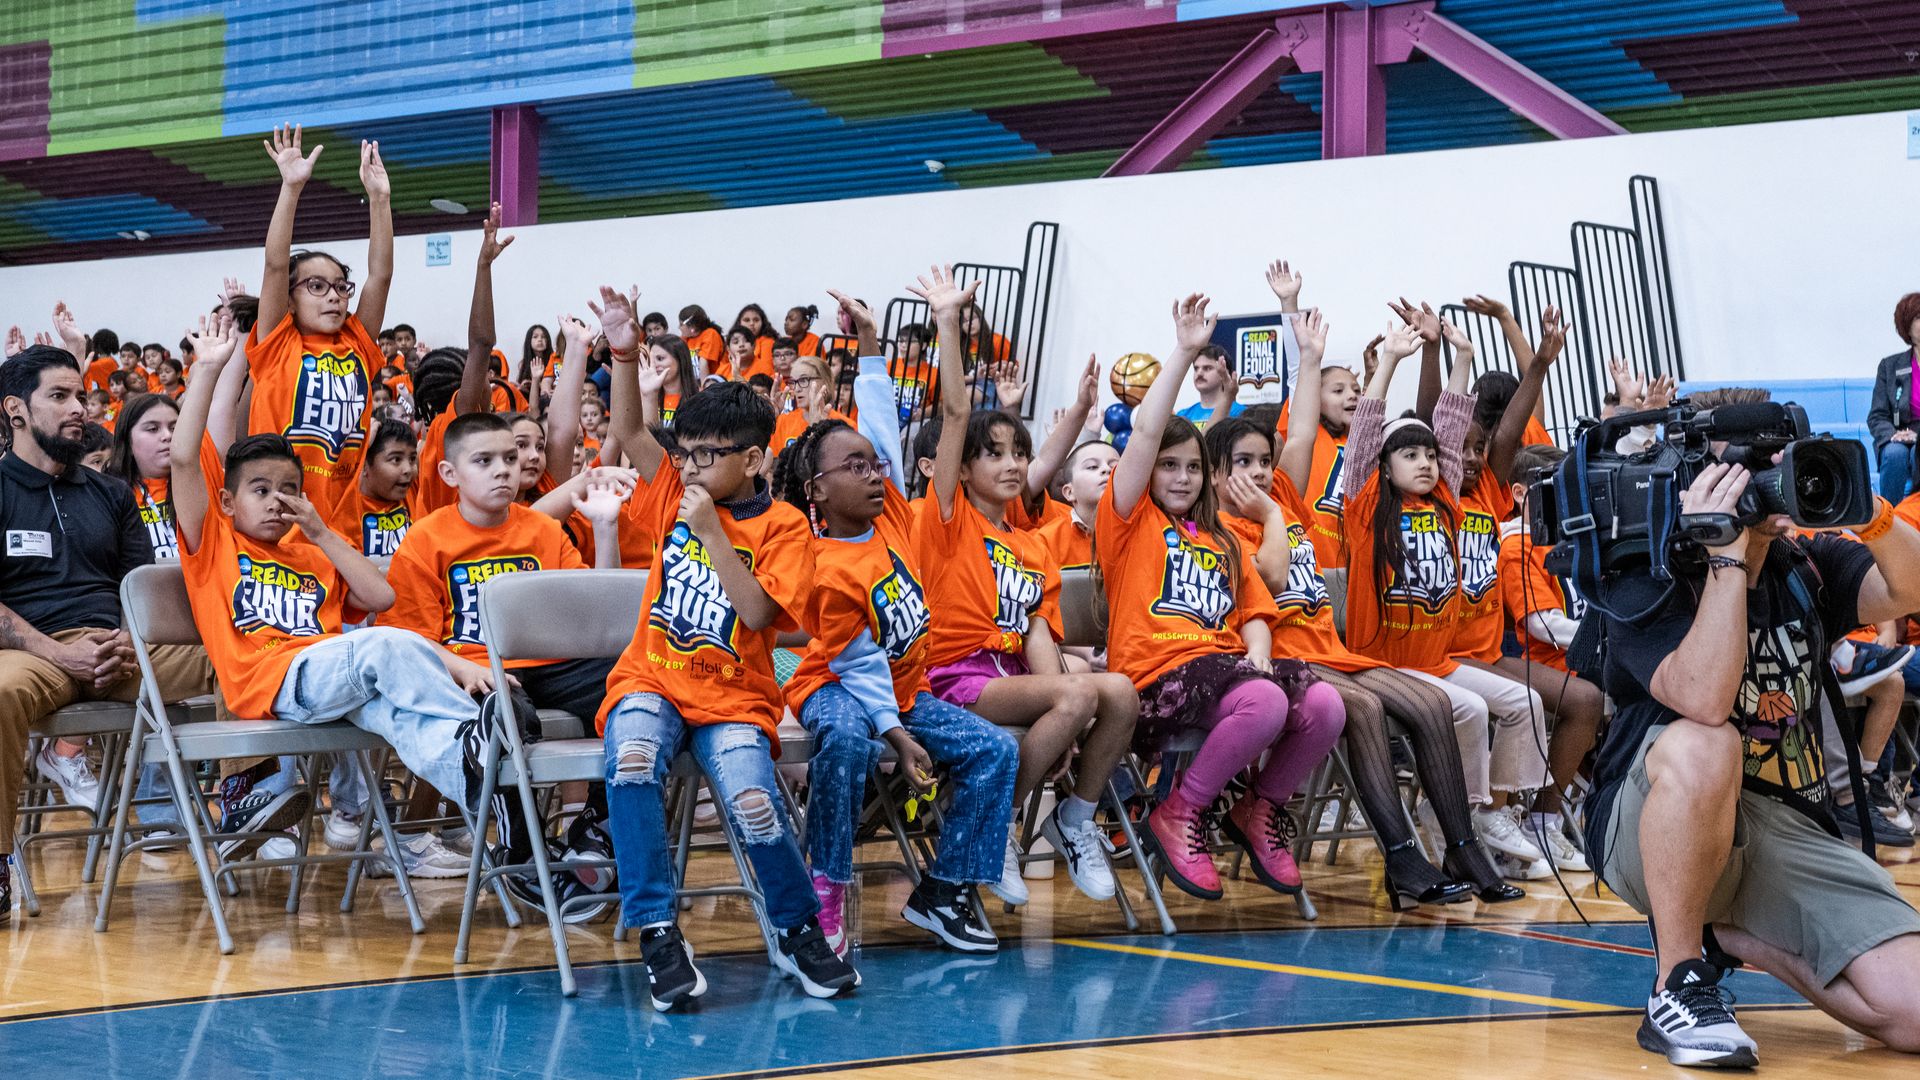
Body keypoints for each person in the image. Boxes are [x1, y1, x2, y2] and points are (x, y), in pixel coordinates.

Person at [1585, 445, 1920, 1065]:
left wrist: (1859, 505)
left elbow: (1911, 587)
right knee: (1708, 740)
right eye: (1738, 470)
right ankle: (1677, 984)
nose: (1762, 485)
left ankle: (1734, 937)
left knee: (1914, 1014)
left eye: (1773, 467)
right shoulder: (1641, 575)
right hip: (1655, 823)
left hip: (1784, 828)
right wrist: (1727, 557)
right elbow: (1706, 701)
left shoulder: (1806, 566)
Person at [590, 285, 859, 1011]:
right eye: (687, 453)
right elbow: (628, 428)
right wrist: (620, 349)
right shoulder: (670, 488)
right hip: (651, 677)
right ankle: (655, 931)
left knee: (754, 803)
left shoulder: (785, 529)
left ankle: (800, 930)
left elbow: (759, 611)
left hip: (735, 694)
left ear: (753, 460)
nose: (692, 467)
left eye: (710, 456)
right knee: (634, 761)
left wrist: (711, 531)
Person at [170, 313, 488, 875]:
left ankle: (467, 799)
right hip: (270, 681)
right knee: (383, 647)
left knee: (395, 712)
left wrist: (319, 530)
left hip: (326, 681)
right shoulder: (213, 543)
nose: (276, 501)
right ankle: (481, 734)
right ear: (227, 502)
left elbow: (380, 596)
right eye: (260, 491)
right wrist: (208, 369)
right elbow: (181, 458)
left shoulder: (313, 545)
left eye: (288, 490)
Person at [1216, 308, 1514, 907]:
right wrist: (1385, 369)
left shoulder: (1289, 501)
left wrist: (1453, 356)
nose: (1257, 474)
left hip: (1332, 651)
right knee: (1367, 709)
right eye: (1239, 464)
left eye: (1262, 463)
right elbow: (1271, 578)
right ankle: (1402, 857)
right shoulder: (1222, 528)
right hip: (1278, 657)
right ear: (1212, 476)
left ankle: (1460, 842)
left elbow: (1303, 435)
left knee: (1433, 705)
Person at [774, 342, 1019, 956]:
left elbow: (882, 427)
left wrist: (876, 352)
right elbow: (856, 663)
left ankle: (942, 891)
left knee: (994, 749)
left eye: (873, 465)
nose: (873, 473)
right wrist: (899, 735)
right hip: (833, 685)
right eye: (853, 469)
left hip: (901, 692)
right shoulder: (825, 565)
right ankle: (825, 884)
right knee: (850, 740)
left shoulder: (893, 521)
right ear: (818, 491)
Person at [1100, 293, 1344, 900]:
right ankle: (1181, 810)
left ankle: (1260, 810)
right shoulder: (1130, 521)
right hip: (1156, 677)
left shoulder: (1222, 539)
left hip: (1222, 670)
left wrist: (1259, 653)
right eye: (1167, 467)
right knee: (1262, 702)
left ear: (1207, 474)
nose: (1180, 478)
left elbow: (1257, 613)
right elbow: (1148, 432)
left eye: (1190, 467)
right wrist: (1183, 352)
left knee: (1324, 707)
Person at [911, 266, 1139, 907]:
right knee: (1073, 698)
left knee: (1116, 691)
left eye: (1020, 452)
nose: (1013, 464)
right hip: (950, 678)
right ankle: (996, 830)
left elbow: (1040, 633)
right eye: (995, 454)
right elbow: (957, 412)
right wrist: (950, 323)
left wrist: (1061, 700)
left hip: (1010, 680)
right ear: (961, 468)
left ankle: (1073, 821)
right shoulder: (945, 521)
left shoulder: (1031, 542)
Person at [0, 347, 222, 917]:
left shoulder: (110, 493)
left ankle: (247, 797)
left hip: (120, 650)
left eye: (79, 395)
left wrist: (127, 638)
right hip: (31, 652)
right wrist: (56, 651)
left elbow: (137, 583)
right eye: (60, 396)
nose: (79, 408)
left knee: (233, 651)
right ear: (15, 410)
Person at [383, 411, 626, 897]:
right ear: (450, 474)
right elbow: (409, 640)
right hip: (472, 673)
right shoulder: (425, 540)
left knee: (633, 684)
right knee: (503, 713)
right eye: (485, 460)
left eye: (510, 459)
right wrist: (467, 668)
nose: (503, 470)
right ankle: (521, 856)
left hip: (549, 664)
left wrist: (604, 529)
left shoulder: (542, 529)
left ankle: (594, 829)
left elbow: (599, 619)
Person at [1341, 316, 1551, 878]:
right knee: (1474, 708)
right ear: (1383, 470)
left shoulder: (1447, 507)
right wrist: (1388, 362)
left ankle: (1488, 815)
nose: (1427, 462)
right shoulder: (1365, 511)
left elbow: (1454, 430)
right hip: (1383, 665)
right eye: (1410, 456)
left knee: (1524, 704)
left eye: (1431, 456)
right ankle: (1455, 813)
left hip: (1437, 662)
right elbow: (1363, 434)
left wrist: (1461, 356)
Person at [246, 124, 391, 540]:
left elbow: (380, 276)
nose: (335, 297)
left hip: (340, 529)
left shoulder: (356, 343)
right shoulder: (277, 343)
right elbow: (275, 265)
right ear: (290, 298)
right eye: (316, 286)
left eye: (340, 287)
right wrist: (291, 188)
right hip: (278, 524)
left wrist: (380, 199)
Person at [1867, 292, 1920, 502]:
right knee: (1893, 454)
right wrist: (1893, 435)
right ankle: (1892, 520)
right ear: (1906, 326)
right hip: (1898, 435)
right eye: (1918, 317)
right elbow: (1877, 415)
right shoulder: (1890, 366)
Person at [1174, 344, 1243, 431]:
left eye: (1207, 368)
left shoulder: (1240, 413)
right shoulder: (1183, 415)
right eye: (1196, 368)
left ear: (1224, 373)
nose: (1199, 373)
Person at [678, 305, 728, 382]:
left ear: (692, 326)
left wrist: (704, 388)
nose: (679, 327)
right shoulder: (686, 338)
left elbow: (703, 363)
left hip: (714, 382)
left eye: (681, 324)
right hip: (694, 383)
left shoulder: (710, 334)